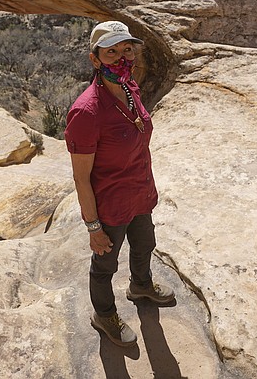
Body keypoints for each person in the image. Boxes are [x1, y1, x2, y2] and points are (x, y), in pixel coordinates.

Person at [64, 21, 175, 348]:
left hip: (139, 193)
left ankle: (141, 285)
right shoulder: (86, 112)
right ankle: (104, 314)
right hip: (110, 206)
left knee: (144, 244)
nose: (122, 58)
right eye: (111, 52)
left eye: (127, 49)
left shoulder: (130, 89)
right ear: (95, 59)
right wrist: (93, 226)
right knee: (105, 265)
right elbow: (81, 178)